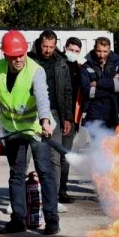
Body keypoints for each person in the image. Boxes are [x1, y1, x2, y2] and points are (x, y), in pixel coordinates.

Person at [0, 30, 60, 235]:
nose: (18, 60)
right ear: (5, 55)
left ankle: (52, 220)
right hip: (12, 129)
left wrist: (45, 121)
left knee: (45, 172)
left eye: (21, 55)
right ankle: (18, 220)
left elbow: (42, 97)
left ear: (26, 51)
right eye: (13, 56)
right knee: (16, 174)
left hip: (36, 128)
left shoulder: (36, 70)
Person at [28, 30, 77, 205]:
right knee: (31, 156)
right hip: (32, 115)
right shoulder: (29, 60)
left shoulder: (61, 62)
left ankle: (53, 199)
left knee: (55, 158)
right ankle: (27, 196)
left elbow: (67, 91)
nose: (48, 50)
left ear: (56, 45)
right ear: (39, 44)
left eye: (51, 46)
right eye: (45, 46)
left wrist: (68, 118)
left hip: (55, 113)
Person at [79, 37, 119, 131]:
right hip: (95, 114)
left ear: (109, 49)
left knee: (116, 145)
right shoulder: (86, 66)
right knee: (96, 144)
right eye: (99, 51)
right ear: (94, 48)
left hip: (116, 113)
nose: (102, 55)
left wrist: (98, 83)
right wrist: (112, 85)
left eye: (105, 51)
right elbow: (88, 92)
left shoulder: (118, 63)